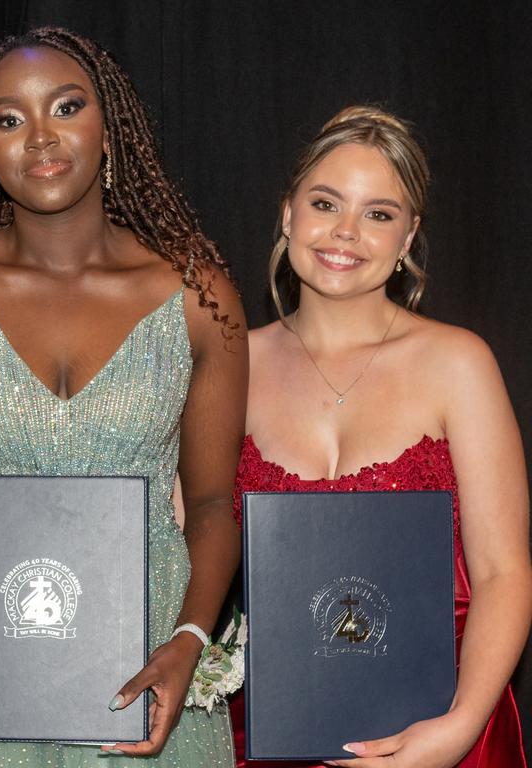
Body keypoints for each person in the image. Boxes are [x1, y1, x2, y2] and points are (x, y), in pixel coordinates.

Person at [0, 26, 246, 767]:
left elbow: (215, 502)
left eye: (65, 106)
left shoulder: (196, 293)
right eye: (7, 119)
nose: (39, 137)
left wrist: (189, 639)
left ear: (109, 126)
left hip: (142, 646)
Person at [230, 106, 531, 768]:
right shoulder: (230, 368)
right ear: (288, 214)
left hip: (444, 722)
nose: (346, 232)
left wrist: (458, 729)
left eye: (378, 214)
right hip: (268, 733)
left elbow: (503, 572)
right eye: (325, 203)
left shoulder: (459, 363)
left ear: (408, 236)